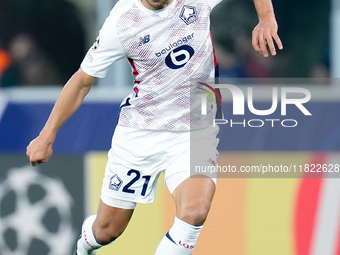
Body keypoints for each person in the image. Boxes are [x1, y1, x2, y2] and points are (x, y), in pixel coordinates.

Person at [26, 0, 282, 254]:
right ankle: (85, 244)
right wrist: (47, 135)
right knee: (107, 230)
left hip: (195, 132)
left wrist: (266, 18)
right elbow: (82, 81)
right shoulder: (122, 20)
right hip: (140, 134)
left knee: (194, 213)